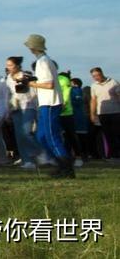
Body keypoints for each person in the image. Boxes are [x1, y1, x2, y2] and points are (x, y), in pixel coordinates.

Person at [24, 35, 74, 178]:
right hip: (45, 103)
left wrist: (31, 84)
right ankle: (59, 163)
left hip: (51, 102)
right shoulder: (44, 61)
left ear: (33, 47)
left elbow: (49, 84)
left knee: (52, 136)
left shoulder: (43, 62)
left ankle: (66, 168)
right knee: (42, 137)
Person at [6, 56, 46, 169]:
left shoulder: (25, 75)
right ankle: (27, 161)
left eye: (11, 65)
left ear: (18, 66)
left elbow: (34, 92)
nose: (8, 67)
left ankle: (41, 152)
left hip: (28, 106)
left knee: (26, 132)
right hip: (15, 108)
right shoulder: (8, 78)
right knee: (19, 136)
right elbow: (8, 94)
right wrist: (8, 108)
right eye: (7, 65)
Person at [89, 67, 120, 159]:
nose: (96, 77)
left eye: (97, 75)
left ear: (102, 73)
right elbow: (93, 100)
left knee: (117, 133)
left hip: (115, 112)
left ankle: (117, 153)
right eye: (94, 76)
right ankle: (111, 154)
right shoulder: (93, 86)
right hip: (102, 113)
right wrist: (92, 113)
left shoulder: (113, 82)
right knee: (107, 134)